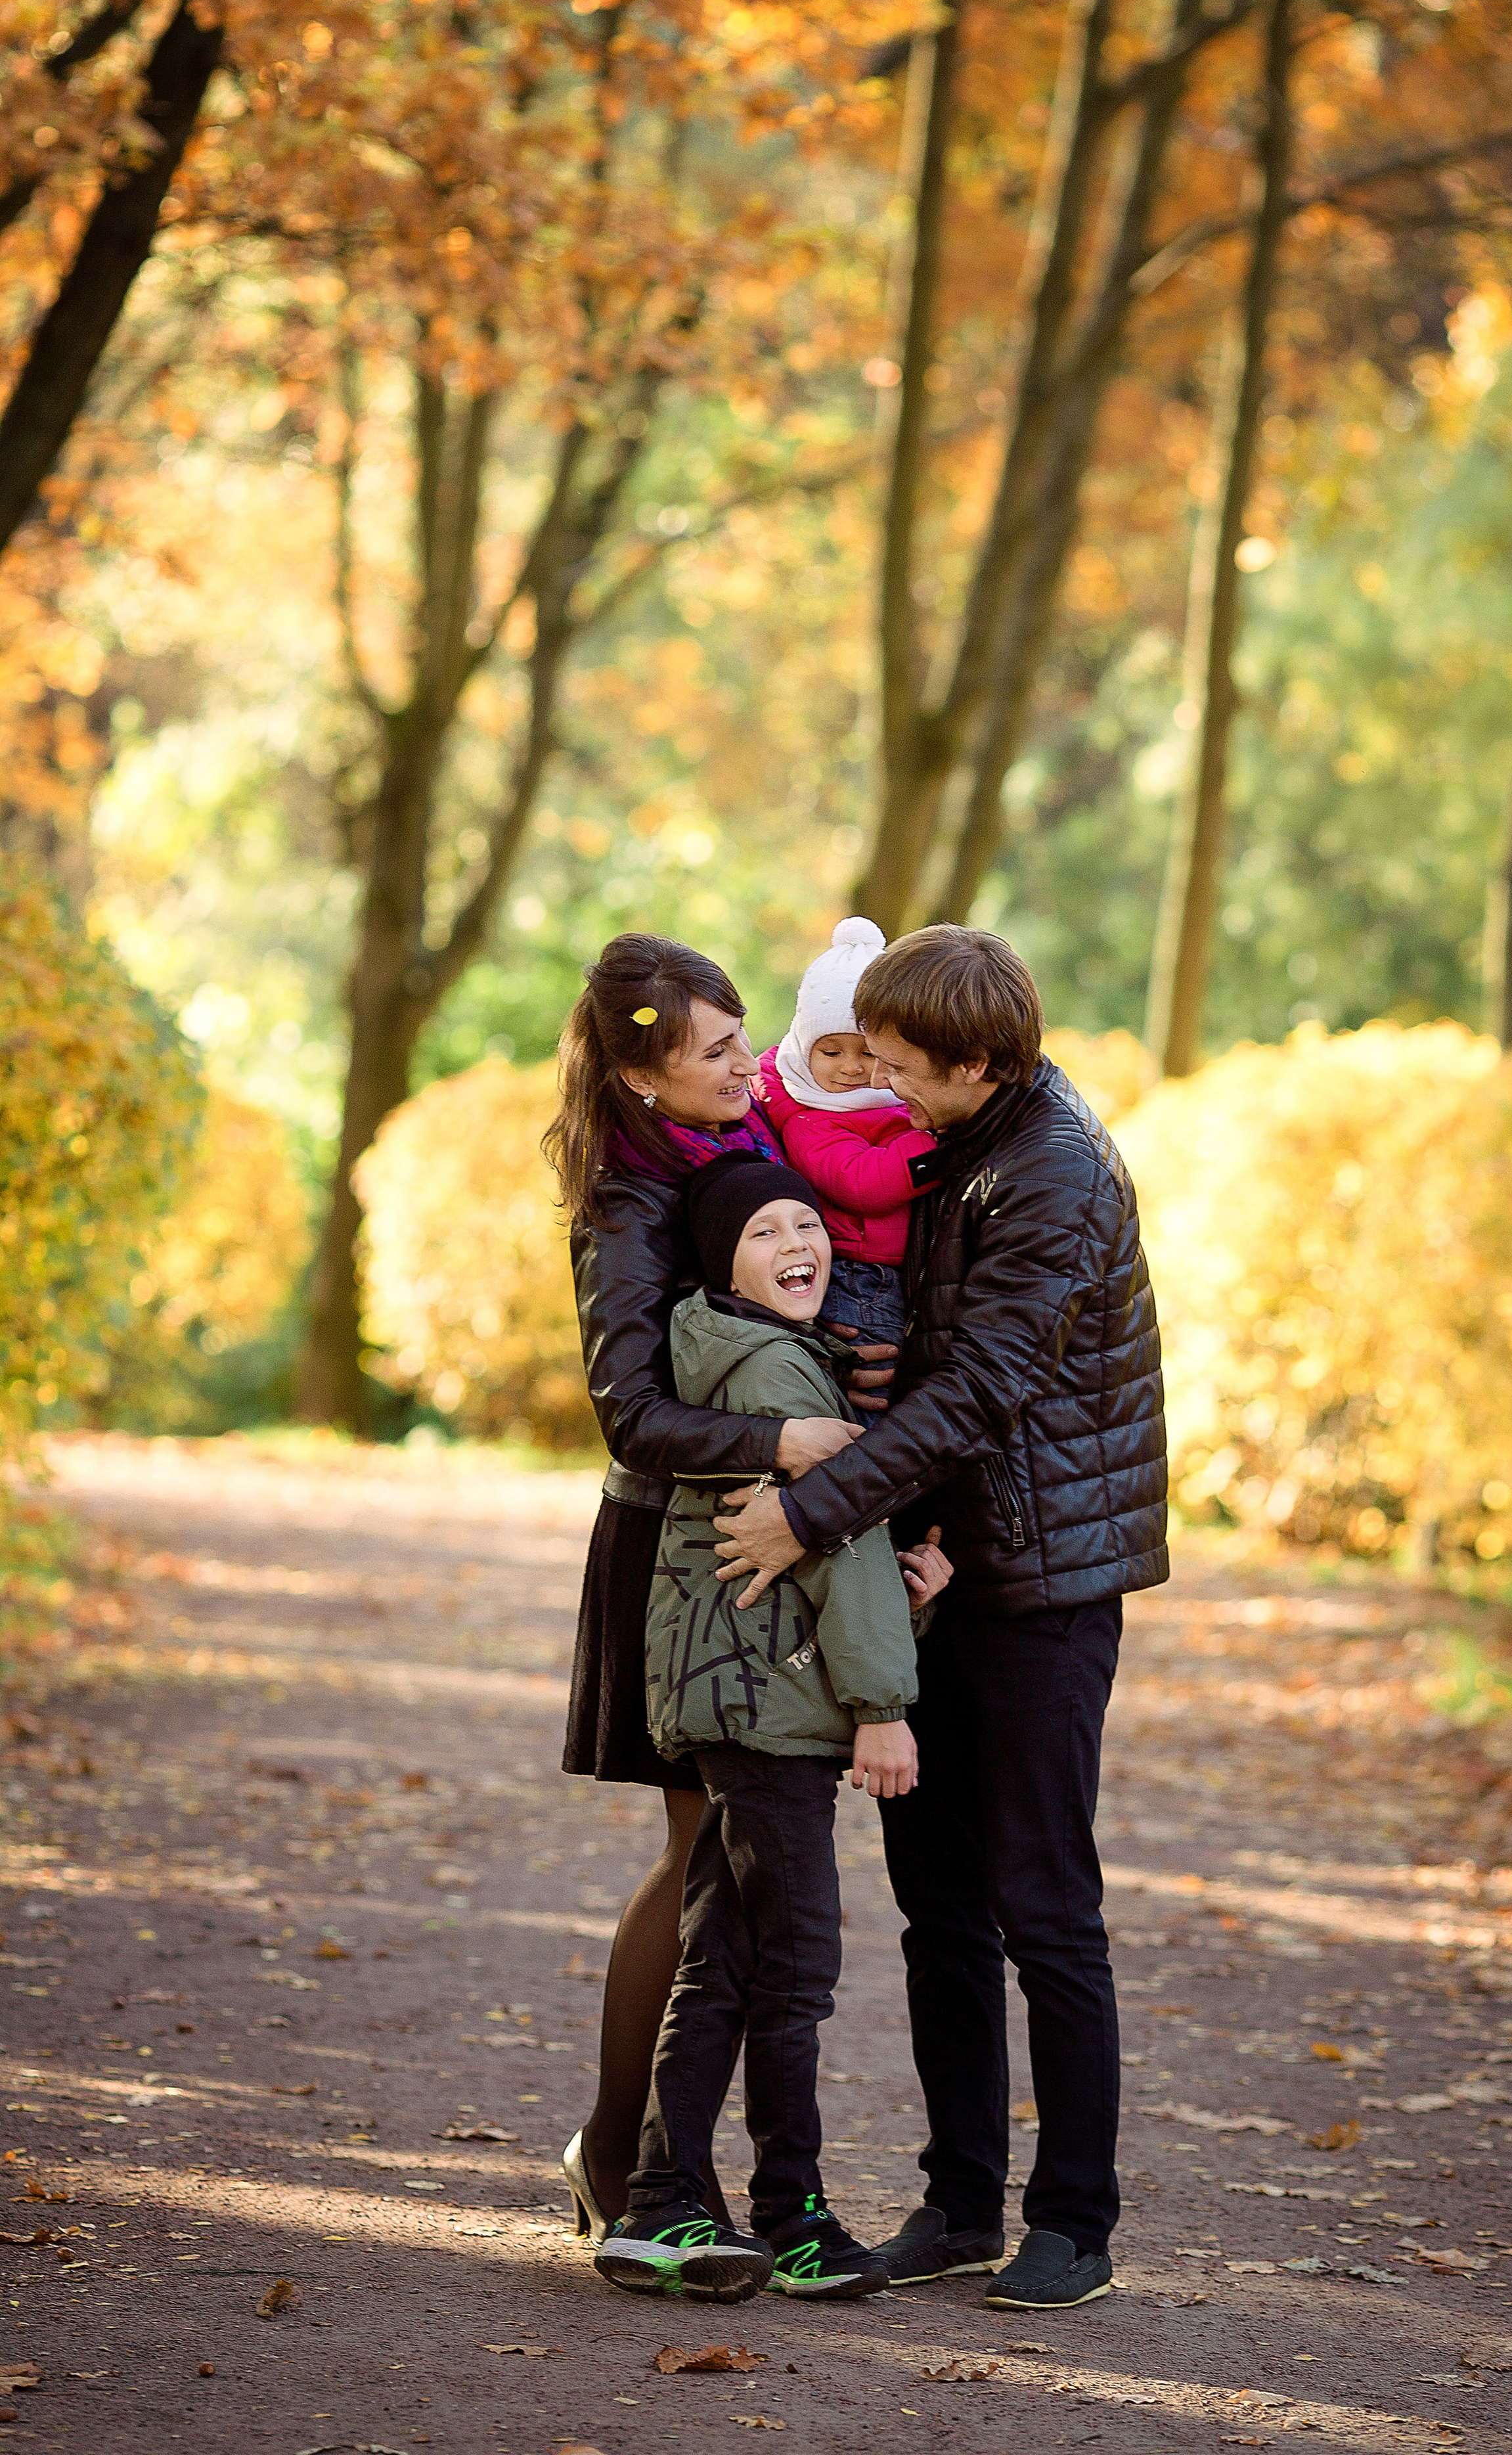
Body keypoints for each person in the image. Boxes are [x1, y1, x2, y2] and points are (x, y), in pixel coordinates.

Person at [711, 925, 1169, 2314]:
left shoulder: (1053, 1174)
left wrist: (811, 1510)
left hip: (1039, 1579)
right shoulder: (968, 1132)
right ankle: (961, 2200)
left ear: (974, 1060)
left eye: (904, 1069)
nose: (885, 1092)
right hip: (944, 1561)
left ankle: (1072, 2223)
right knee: (939, 1913)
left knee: (1045, 1906)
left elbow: (983, 1391)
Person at [542, 934, 879, 2241]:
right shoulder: (626, 1207)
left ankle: (644, 2159)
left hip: (747, 1536)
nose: (752, 1064)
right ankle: (629, 2163)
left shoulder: (711, 1160)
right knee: (699, 1859)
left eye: (747, 1036)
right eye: (719, 1049)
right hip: (672, 1549)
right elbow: (631, 1413)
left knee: (713, 1863)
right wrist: (780, 1446)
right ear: (644, 1076)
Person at [593, 1153, 950, 2304]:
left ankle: (661, 2200)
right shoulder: (778, 1372)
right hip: (773, 1708)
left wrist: (913, 1595)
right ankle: (790, 2212)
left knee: (731, 1959)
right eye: (765, 1232)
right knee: (793, 1966)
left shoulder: (738, 1353)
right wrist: (883, 1709)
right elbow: (834, 1547)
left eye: (810, 1222)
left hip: (738, 1696)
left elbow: (830, 1555)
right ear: (722, 1264)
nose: (801, 1241)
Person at [756, 916, 936, 1369]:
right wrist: (937, 1147)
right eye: (831, 1051)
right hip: (859, 1276)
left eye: (868, 1051)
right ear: (803, 1047)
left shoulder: (889, 1096)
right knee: (876, 1373)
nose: (852, 1068)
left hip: (903, 1266)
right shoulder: (807, 1116)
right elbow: (862, 1183)